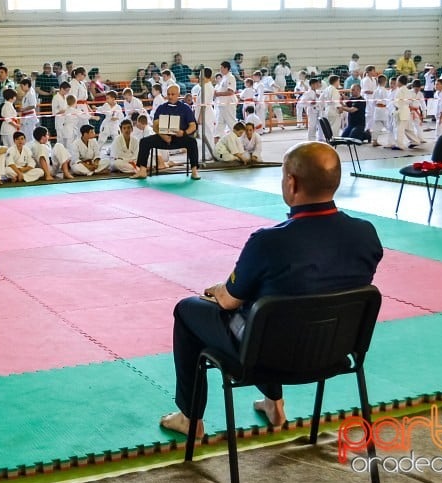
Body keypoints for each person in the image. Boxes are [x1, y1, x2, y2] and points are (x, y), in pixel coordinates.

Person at [159, 142, 383, 438]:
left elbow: (227, 301)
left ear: (291, 182)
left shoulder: (268, 242)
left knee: (188, 310)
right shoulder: (366, 233)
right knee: (271, 300)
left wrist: (216, 290)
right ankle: (273, 404)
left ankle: (191, 418)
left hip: (266, 357)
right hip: (336, 352)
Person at [131, 85, 200, 180]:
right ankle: (142, 171)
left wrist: (183, 133)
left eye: (173, 94)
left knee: (192, 142)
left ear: (178, 95)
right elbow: (155, 126)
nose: (170, 96)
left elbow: (193, 126)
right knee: (144, 142)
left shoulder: (185, 108)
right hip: (162, 137)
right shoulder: (161, 108)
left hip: (179, 137)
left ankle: (194, 171)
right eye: (168, 94)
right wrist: (163, 136)